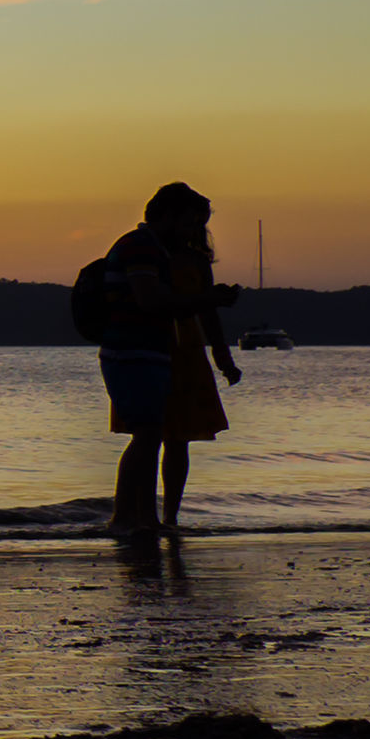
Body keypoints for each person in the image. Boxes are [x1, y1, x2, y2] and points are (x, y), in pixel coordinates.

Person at [97, 181, 242, 540]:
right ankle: (129, 518)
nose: (195, 230)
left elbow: (179, 307)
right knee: (147, 435)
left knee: (156, 436)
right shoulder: (142, 248)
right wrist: (206, 301)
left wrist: (218, 343)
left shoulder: (160, 251)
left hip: (155, 351)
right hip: (136, 350)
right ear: (168, 216)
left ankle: (143, 519)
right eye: (191, 221)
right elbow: (152, 301)